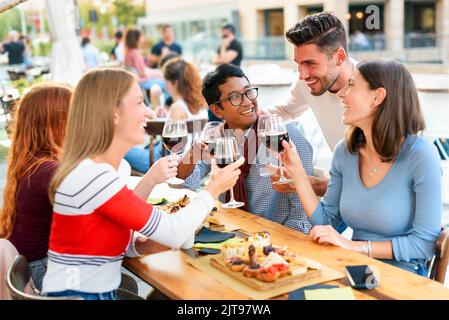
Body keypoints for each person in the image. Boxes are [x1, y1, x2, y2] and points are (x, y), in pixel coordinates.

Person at [41, 68, 243, 299]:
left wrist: (140, 245)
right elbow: (175, 233)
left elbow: (98, 236)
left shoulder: (95, 172)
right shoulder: (94, 177)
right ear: (113, 113)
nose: (149, 112)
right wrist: (213, 189)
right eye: (139, 102)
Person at [280, 59, 442, 276]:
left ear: (377, 96)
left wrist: (353, 246)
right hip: (355, 267)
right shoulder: (345, 152)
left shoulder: (421, 155)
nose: (340, 93)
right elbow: (327, 222)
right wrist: (299, 175)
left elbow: (424, 244)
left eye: (351, 85)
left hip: (403, 273)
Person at [176, 64, 314, 233]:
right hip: (226, 231)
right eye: (235, 97)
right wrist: (192, 154)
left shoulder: (286, 135)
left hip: (275, 239)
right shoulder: (216, 137)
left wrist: (271, 245)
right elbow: (183, 186)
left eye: (248, 92)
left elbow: (302, 216)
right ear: (217, 110)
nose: (248, 101)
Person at [268, 12, 358, 197]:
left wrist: (305, 183)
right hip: (344, 191)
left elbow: (378, 184)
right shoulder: (306, 83)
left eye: (310, 63)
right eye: (299, 64)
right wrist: (242, 115)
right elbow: (285, 111)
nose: (302, 75)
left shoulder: (373, 89)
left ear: (339, 56)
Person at [0, 83, 73, 291]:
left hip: (27, 268)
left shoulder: (34, 162)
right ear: (57, 123)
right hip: (40, 272)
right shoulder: (49, 170)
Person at [125, 58, 208, 173]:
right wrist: (162, 118)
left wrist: (153, 117)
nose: (166, 86)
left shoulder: (178, 108)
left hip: (160, 162)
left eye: (167, 82)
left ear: (175, 83)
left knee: (117, 147)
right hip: (190, 163)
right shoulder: (201, 105)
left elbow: (168, 142)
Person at [124, 28, 165, 107]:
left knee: (161, 77)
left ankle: (156, 105)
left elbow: (143, 70)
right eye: (141, 36)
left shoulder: (130, 52)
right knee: (166, 83)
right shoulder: (134, 53)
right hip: (141, 82)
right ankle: (156, 105)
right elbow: (143, 73)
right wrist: (157, 74)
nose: (143, 38)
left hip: (137, 81)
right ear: (137, 38)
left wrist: (156, 73)